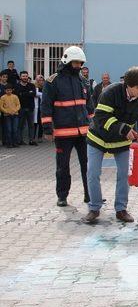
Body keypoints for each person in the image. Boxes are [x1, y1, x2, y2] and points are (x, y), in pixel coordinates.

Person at [83, 66, 138, 224]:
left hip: (121, 142)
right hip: (97, 138)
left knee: (124, 174)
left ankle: (121, 210)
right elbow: (102, 117)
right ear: (128, 85)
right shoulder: (110, 92)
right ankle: (94, 208)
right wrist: (123, 129)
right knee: (93, 173)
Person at [41, 46, 93, 207]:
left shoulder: (83, 81)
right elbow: (46, 106)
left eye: (80, 63)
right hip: (63, 134)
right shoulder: (53, 81)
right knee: (62, 167)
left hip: (84, 133)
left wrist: (94, 126)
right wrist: (48, 129)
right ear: (66, 61)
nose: (78, 66)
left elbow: (89, 106)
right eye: (75, 62)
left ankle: (89, 195)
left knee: (89, 166)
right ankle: (62, 196)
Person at [15, 71, 37, 146]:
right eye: (23, 76)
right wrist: (28, 93)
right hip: (21, 108)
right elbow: (18, 96)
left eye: (26, 76)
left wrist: (23, 94)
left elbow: (33, 94)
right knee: (20, 125)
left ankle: (31, 140)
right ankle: (19, 140)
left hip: (30, 108)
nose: (25, 77)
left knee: (31, 125)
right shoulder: (17, 86)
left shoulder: (32, 85)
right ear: (20, 77)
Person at [33, 75, 45, 142]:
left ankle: (40, 137)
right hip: (36, 107)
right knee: (35, 123)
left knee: (41, 123)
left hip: (42, 107)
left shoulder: (45, 87)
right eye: (39, 80)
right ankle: (33, 137)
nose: (40, 82)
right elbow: (35, 94)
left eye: (42, 80)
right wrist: (41, 94)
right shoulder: (34, 87)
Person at [0, 72, 8, 146]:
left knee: (5, 125)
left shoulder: (9, 86)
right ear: (0, 77)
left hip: (6, 109)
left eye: (6, 77)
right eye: (3, 77)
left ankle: (5, 140)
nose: (5, 78)